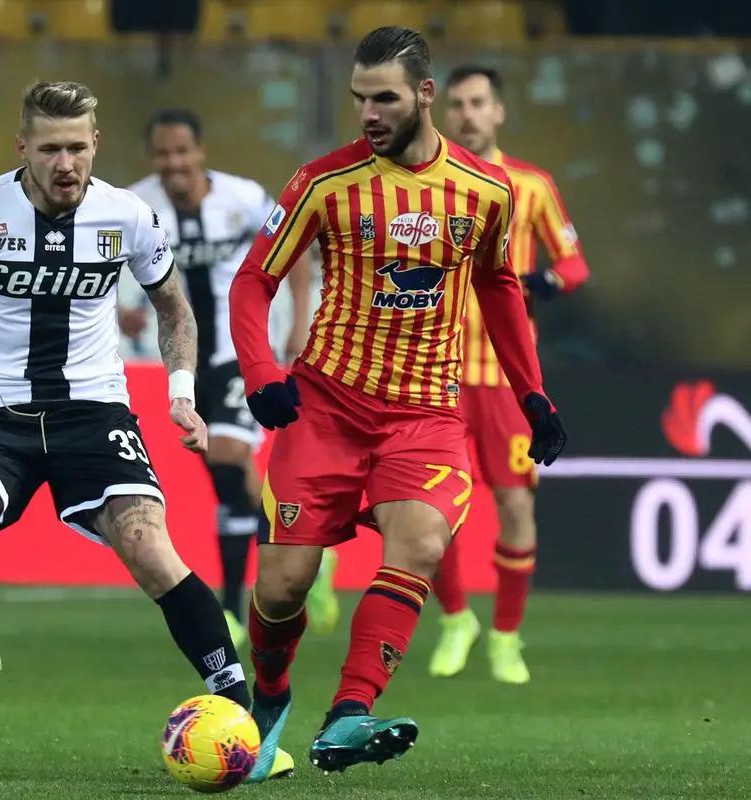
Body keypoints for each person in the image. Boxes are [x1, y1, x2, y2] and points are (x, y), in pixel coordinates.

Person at [0, 81, 289, 777]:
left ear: (96, 144)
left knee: (149, 547)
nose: (65, 162)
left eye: (77, 147)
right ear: (22, 147)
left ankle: (247, 722)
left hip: (94, 409)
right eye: (50, 148)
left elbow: (173, 309)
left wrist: (180, 393)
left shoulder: (127, 215)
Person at [227, 28, 568, 777]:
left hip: (424, 415)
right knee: (281, 589)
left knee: (419, 543)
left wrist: (532, 394)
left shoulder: (487, 190)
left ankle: (348, 713)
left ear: (424, 94)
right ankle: (271, 693)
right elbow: (254, 280)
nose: (369, 113)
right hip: (325, 409)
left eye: (384, 97)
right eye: (359, 99)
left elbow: (498, 286)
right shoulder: (323, 182)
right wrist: (261, 373)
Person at [124, 109, 336, 650]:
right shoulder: (137, 205)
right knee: (228, 477)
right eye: (163, 153)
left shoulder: (243, 198)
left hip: (242, 351)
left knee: (225, 456)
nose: (173, 163)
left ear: (200, 152)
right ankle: (306, 546)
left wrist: (300, 322)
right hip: (185, 362)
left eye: (182, 152)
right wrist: (122, 312)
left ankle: (232, 608)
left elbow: (296, 250)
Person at [430, 65, 591, 684]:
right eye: (458, 104)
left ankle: (504, 637)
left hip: (505, 377)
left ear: (498, 111)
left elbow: (573, 264)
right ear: (445, 113)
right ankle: (455, 621)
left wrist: (543, 281)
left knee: (515, 504)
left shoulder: (531, 184)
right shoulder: (428, 183)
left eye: (479, 103)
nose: (467, 113)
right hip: (437, 373)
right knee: (432, 507)